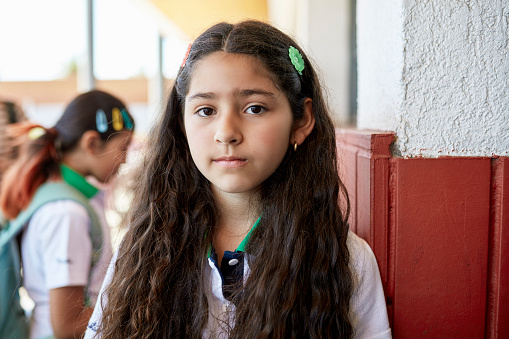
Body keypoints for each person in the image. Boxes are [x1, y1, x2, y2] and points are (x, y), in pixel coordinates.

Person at [85, 20, 391, 338]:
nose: (226, 133)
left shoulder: (345, 259)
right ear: (181, 123)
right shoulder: (140, 250)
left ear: (301, 120)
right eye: (205, 110)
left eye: (255, 108)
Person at [0, 90, 135, 339]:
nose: (125, 160)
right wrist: (136, 305)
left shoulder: (57, 196)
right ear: (92, 143)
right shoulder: (66, 212)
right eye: (123, 147)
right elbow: (67, 325)